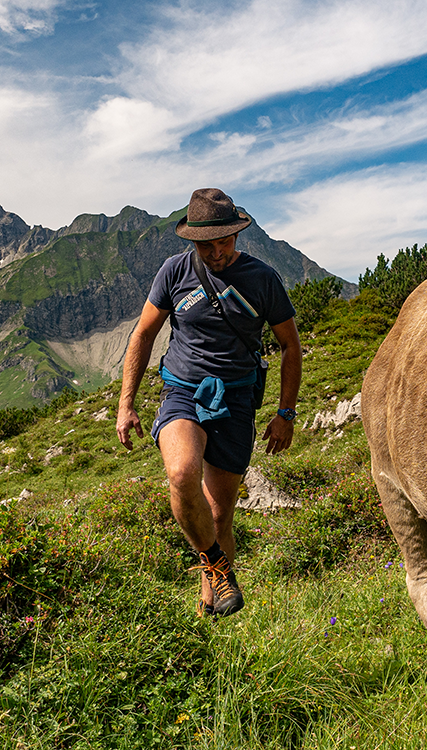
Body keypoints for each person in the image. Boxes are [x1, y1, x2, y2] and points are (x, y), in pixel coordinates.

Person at [116, 188, 301, 617]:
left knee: (219, 518)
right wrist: (126, 404)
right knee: (182, 473)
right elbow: (143, 334)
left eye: (225, 241)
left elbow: (290, 345)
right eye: (207, 244)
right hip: (183, 389)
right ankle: (217, 566)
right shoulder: (174, 272)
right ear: (191, 240)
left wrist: (285, 413)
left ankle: (209, 611)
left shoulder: (262, 278)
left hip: (237, 398)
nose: (217, 252)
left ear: (237, 235)